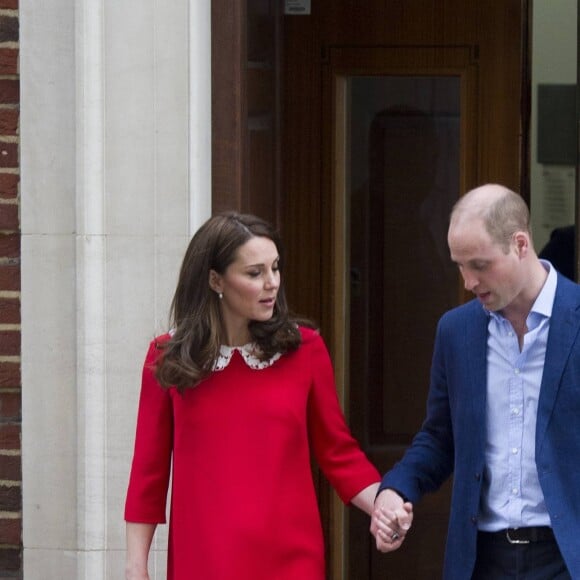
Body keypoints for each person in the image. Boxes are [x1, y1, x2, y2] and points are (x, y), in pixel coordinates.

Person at [124, 211, 383, 580]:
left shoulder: (305, 350)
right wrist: (136, 566)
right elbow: (148, 472)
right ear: (216, 279)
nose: (272, 283)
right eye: (255, 273)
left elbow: (337, 451)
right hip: (205, 559)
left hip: (292, 560)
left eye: (275, 268)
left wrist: (384, 505)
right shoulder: (167, 359)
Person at [371, 184, 580, 579]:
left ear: (520, 244)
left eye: (480, 265)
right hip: (482, 561)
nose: (468, 281)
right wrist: (396, 489)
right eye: (459, 266)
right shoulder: (457, 330)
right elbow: (438, 438)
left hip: (567, 558)